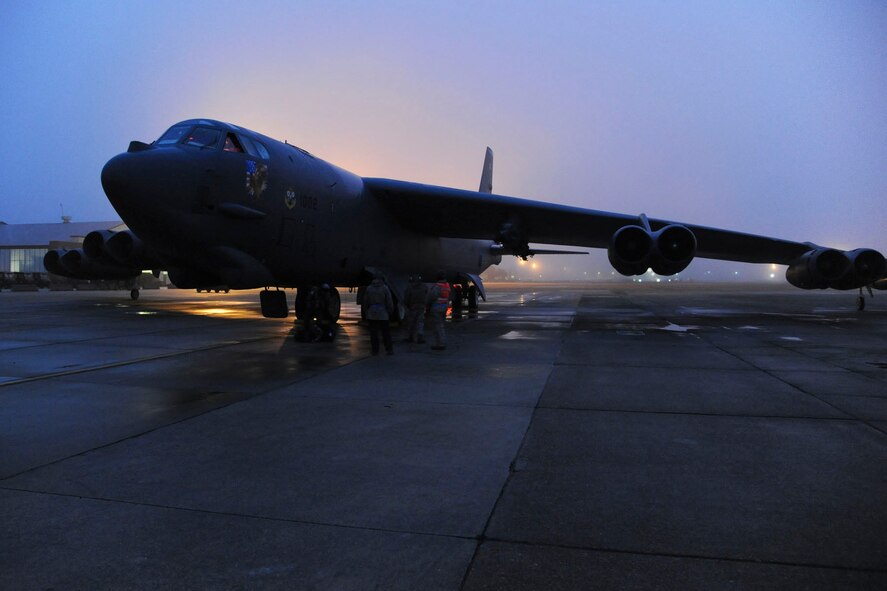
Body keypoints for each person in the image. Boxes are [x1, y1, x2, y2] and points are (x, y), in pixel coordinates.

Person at [362, 274, 394, 355]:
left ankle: (375, 350)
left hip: (372, 313)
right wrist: (390, 311)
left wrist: (366, 312)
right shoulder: (385, 288)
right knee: (385, 333)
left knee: (373, 334)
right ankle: (389, 349)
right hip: (383, 314)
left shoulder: (369, 288)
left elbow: (365, 302)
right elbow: (389, 301)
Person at [426, 273, 451, 351]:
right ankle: (441, 342)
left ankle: (440, 344)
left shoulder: (437, 286)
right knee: (441, 325)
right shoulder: (446, 285)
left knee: (437, 327)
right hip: (444, 307)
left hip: (437, 308)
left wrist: (427, 305)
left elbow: (432, 297)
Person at [403, 275, 428, 344]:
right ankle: (420, 337)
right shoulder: (424, 287)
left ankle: (410, 337)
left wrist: (407, 305)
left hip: (412, 307)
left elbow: (406, 298)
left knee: (411, 323)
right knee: (420, 322)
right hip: (421, 307)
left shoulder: (409, 287)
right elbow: (426, 295)